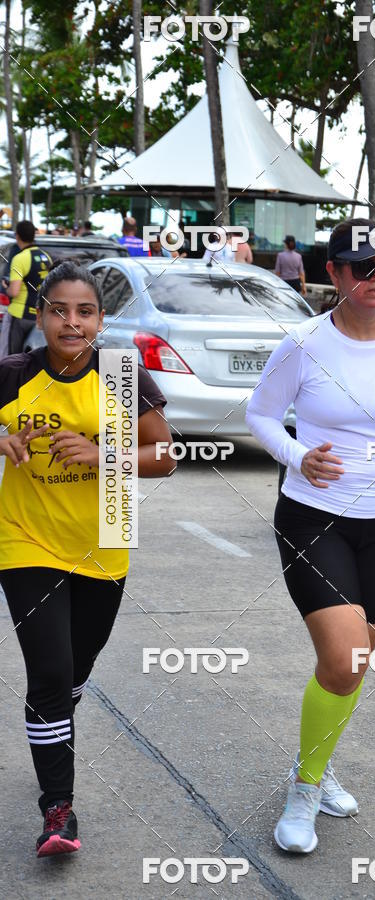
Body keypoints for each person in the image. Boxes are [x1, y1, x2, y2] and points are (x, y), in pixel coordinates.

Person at [246, 218, 375, 854]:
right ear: (332, 274)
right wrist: (296, 455)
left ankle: (316, 760)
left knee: (351, 666)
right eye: (362, 268)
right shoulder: (305, 343)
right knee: (342, 660)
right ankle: (305, 789)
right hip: (314, 517)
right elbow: (260, 412)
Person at [0, 261, 175, 857]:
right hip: (25, 540)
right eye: (59, 310)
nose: (71, 322)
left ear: (101, 320)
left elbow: (166, 455)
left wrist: (105, 456)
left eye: (85, 312)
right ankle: (58, 811)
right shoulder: (13, 374)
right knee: (49, 674)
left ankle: (56, 718)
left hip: (105, 539)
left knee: (72, 675)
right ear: (42, 315)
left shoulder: (124, 378)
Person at [0, 220, 52, 358]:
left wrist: (6, 287)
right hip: (39, 316)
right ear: (34, 235)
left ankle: (8, 380)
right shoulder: (46, 257)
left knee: (9, 358)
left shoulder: (20, 258)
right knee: (31, 359)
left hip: (19, 314)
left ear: (17, 236)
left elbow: (14, 291)